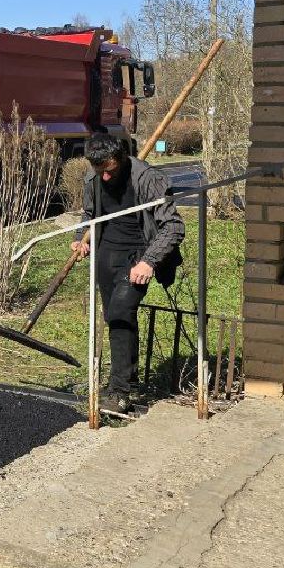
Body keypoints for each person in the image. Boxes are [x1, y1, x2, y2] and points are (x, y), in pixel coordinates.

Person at [70, 133, 184, 414]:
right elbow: (89, 214)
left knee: (121, 311)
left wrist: (149, 261)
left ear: (120, 159)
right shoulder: (92, 178)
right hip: (106, 255)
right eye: (100, 172)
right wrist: (80, 236)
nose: (105, 178)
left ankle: (120, 392)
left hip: (139, 255)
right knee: (115, 319)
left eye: (110, 171)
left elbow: (173, 227)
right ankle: (121, 381)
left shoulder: (147, 179)